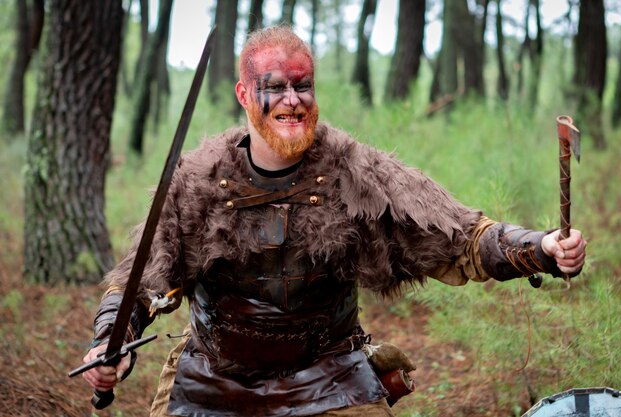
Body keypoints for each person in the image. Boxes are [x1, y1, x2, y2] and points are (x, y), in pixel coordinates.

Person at [81, 26, 586, 417]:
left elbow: (463, 239)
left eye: (302, 86)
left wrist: (540, 247)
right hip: (214, 380)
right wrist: (112, 342)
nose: (292, 100)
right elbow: (142, 283)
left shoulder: (358, 173)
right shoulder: (196, 182)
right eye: (274, 87)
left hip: (329, 377)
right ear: (243, 94)